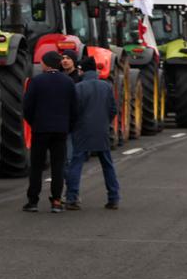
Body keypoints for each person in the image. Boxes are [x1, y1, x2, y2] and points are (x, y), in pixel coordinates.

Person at [23, 50, 79, 212]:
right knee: (58, 166)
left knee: (37, 166)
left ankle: (33, 201)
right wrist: (68, 126)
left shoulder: (36, 81)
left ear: (46, 64)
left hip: (40, 129)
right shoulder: (68, 82)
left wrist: (34, 122)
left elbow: (27, 107)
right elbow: (74, 108)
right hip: (60, 130)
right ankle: (56, 200)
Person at [65, 56, 121, 210]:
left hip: (82, 130)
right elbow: (113, 109)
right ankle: (113, 197)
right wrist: (104, 122)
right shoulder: (106, 86)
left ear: (82, 70)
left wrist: (73, 126)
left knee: (76, 164)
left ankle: (72, 198)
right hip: (101, 130)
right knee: (107, 164)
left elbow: (74, 111)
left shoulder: (79, 87)